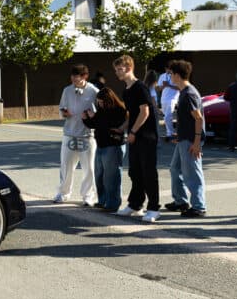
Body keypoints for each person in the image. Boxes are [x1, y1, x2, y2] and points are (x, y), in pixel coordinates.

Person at [113, 55, 160, 222]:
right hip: (135, 135)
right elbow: (133, 114)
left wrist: (132, 132)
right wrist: (122, 128)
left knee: (148, 172)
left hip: (147, 136)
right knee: (135, 172)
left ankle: (154, 208)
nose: (117, 73)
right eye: (116, 70)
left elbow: (144, 112)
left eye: (120, 69)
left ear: (129, 68)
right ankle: (135, 204)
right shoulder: (126, 90)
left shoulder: (140, 87)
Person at [162, 60, 207, 217]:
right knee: (175, 169)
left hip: (191, 140)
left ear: (177, 75)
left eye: (170, 74)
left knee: (192, 174)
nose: (169, 77)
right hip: (184, 138)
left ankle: (199, 207)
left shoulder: (189, 94)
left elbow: (198, 119)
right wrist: (179, 134)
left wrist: (197, 142)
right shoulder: (184, 92)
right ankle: (180, 201)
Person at [54, 63, 99, 205]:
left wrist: (92, 115)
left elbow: (99, 112)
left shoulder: (94, 91)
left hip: (87, 135)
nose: (73, 78)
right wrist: (64, 112)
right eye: (72, 76)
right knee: (66, 166)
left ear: (85, 76)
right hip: (69, 133)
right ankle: (63, 193)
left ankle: (88, 196)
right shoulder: (67, 90)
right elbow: (61, 108)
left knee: (89, 168)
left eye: (76, 76)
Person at [82, 87, 127, 212]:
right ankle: (103, 200)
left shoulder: (119, 110)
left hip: (113, 145)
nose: (100, 104)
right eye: (98, 102)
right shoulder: (102, 110)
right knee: (99, 175)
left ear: (109, 100)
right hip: (101, 145)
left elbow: (107, 124)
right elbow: (95, 125)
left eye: (102, 102)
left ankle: (113, 203)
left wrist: (94, 117)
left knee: (111, 177)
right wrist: (86, 118)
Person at [156, 63, 180, 141]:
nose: (168, 70)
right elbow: (158, 88)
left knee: (167, 117)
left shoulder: (176, 75)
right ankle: (170, 132)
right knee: (166, 117)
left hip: (173, 98)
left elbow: (179, 87)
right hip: (164, 98)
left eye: (169, 69)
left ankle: (169, 133)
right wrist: (163, 86)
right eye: (167, 69)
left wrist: (169, 85)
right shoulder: (162, 76)